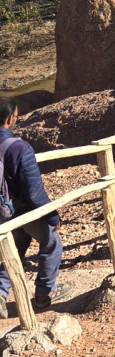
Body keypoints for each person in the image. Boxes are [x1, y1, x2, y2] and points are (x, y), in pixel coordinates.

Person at [0, 97, 71, 311]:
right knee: (52, 242)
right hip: (19, 213)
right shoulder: (19, 148)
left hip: (2, 216)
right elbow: (34, 192)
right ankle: (45, 293)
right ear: (10, 119)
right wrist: (52, 216)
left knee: (12, 248)